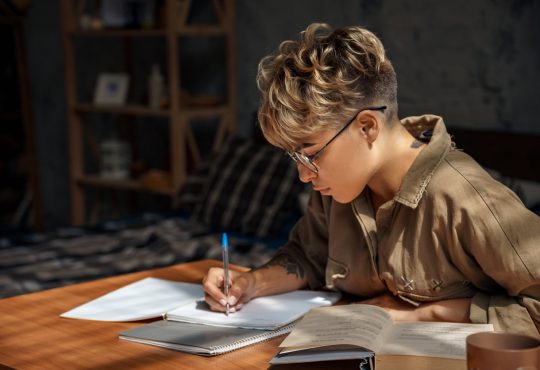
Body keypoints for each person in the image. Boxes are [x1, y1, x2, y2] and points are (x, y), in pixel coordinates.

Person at [202, 23, 540, 338]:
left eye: (310, 153)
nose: (303, 175)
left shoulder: (464, 197)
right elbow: (309, 257)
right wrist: (251, 282)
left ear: (367, 127)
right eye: (295, 157)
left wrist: (427, 314)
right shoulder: (337, 190)